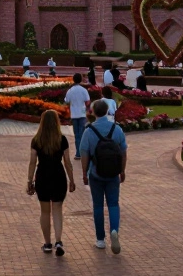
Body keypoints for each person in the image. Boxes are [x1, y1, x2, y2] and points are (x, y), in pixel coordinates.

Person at [80, 99, 127, 253]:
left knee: (98, 206)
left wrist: (84, 173)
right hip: (113, 173)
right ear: (107, 111)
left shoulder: (89, 131)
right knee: (113, 204)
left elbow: (84, 154)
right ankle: (114, 230)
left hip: (96, 173)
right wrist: (122, 170)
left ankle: (100, 239)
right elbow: (123, 152)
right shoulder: (117, 129)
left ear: (93, 112)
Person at [27, 109, 76, 255]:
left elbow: (32, 162)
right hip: (58, 176)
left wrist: (30, 180)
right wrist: (71, 180)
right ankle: (59, 241)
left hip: (42, 176)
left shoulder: (36, 140)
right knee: (57, 210)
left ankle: (47, 243)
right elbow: (67, 162)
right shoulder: (62, 139)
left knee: (44, 211)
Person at [64, 73, 92, 158]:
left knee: (76, 134)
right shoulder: (83, 90)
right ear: (80, 80)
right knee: (82, 134)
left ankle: (78, 153)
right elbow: (87, 102)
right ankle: (83, 152)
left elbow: (66, 101)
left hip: (74, 114)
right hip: (82, 113)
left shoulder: (70, 90)